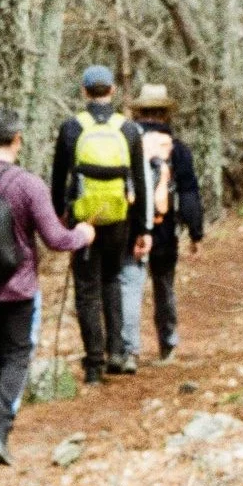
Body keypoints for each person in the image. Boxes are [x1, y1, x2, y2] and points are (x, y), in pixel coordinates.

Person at [0, 108, 93, 464]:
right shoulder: (28, 184)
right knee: (17, 355)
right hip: (19, 287)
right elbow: (56, 239)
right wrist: (83, 235)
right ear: (17, 140)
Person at [50, 64, 150, 383]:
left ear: (84, 92)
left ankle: (94, 362)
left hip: (84, 220)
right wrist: (142, 229)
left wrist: (59, 214)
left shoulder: (71, 128)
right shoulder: (129, 129)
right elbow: (139, 182)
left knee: (87, 288)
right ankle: (117, 352)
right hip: (119, 218)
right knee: (112, 279)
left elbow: (58, 178)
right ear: (113, 91)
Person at [120, 83, 205, 362]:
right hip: (164, 227)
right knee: (164, 285)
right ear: (166, 114)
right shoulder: (178, 149)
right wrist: (195, 233)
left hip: (131, 227)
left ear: (139, 113)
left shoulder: (126, 143)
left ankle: (128, 350)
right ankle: (167, 344)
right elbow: (189, 192)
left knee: (131, 285)